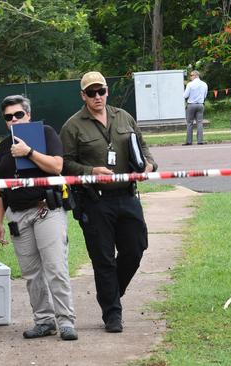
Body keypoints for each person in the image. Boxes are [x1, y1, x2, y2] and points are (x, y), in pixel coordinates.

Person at [60, 71, 157, 333]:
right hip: (95, 201)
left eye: (100, 91)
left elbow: (143, 146)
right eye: (91, 93)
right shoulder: (72, 126)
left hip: (127, 196)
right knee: (103, 259)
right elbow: (65, 164)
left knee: (135, 249)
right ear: (83, 96)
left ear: (106, 91)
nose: (97, 97)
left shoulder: (123, 116)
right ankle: (112, 314)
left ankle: (110, 292)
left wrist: (148, 165)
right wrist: (91, 172)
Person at [0, 95, 78, 341]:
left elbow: (57, 167)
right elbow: (0, 187)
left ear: (28, 115)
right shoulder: (2, 147)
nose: (14, 120)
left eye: (18, 115)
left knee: (55, 267)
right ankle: (44, 321)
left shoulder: (46, 133)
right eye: (8, 117)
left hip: (46, 210)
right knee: (31, 274)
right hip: (17, 214)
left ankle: (66, 322)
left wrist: (28, 151)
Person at [182, 70, 208, 145]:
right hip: (200, 104)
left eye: (191, 75)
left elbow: (185, 96)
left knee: (189, 123)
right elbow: (205, 95)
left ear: (196, 75)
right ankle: (200, 141)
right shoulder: (204, 84)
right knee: (199, 123)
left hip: (191, 105)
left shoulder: (190, 84)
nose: (190, 77)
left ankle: (189, 141)